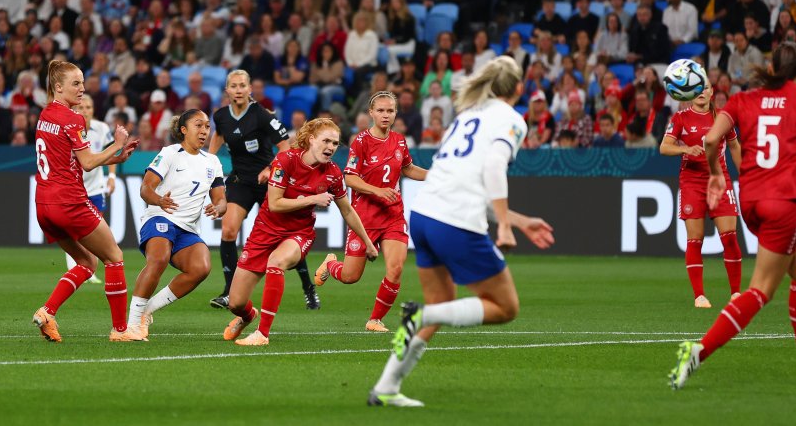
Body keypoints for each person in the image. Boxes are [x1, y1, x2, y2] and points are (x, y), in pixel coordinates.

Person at [367, 56, 556, 407]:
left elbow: (464, 181)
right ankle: (423, 314)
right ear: (518, 88)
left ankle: (386, 386)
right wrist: (502, 224)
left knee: (441, 305)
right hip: (455, 221)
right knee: (505, 307)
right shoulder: (511, 120)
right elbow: (494, 167)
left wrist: (515, 219)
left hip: (424, 215)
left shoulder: (467, 116)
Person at [670, 42, 796, 389]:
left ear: (771, 67)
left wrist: (717, 174)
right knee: (761, 290)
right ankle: (698, 350)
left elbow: (710, 141)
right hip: (783, 201)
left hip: (751, 200)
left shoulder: (741, 100)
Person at [222, 119, 380, 346]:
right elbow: (275, 204)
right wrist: (313, 198)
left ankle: (262, 334)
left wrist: (368, 242)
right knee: (235, 303)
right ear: (311, 140)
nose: (331, 147)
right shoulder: (285, 161)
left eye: (335, 143)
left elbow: (347, 211)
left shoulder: (333, 173)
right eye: (326, 140)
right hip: (265, 230)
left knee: (276, 262)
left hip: (299, 233)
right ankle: (248, 316)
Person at [32, 60, 140, 342]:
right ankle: (120, 331)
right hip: (69, 202)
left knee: (86, 262)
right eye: (75, 84)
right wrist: (116, 144)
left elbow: (73, 160)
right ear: (58, 87)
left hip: (44, 204)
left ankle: (47, 312)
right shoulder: (72, 118)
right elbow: (89, 163)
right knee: (114, 257)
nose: (82, 89)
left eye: (82, 82)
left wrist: (116, 157)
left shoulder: (46, 115)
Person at [312, 91, 427, 332]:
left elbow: (408, 169)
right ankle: (332, 263)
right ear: (371, 113)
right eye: (381, 111)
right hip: (364, 218)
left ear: (396, 113)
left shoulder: (399, 140)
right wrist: (377, 191)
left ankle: (375, 320)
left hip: (393, 216)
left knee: (395, 269)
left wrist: (436, 176)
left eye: (390, 111)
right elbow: (350, 178)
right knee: (350, 276)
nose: (386, 115)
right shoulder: (361, 142)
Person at [208, 70, 320, 310]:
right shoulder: (220, 116)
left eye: (242, 86)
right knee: (228, 230)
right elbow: (218, 136)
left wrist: (270, 168)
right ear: (227, 90)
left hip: (270, 182)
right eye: (233, 86)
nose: (238, 90)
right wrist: (207, 161)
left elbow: (285, 146)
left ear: (250, 90)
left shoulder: (261, 116)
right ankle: (229, 291)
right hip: (240, 181)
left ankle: (308, 287)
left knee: (287, 235)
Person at [126, 109, 227, 339]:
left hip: (187, 228)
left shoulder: (212, 162)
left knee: (201, 268)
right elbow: (145, 188)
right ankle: (131, 325)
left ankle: (147, 311)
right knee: (159, 258)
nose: (204, 131)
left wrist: (219, 207)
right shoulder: (170, 153)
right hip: (160, 217)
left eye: (207, 127)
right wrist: (159, 200)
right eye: (198, 126)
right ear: (183, 130)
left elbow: (221, 199)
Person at [660, 71, 743, 308]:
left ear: (712, 93)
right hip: (692, 180)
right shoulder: (680, 118)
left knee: (729, 237)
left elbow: (735, 146)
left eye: (706, 88)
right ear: (691, 92)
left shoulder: (723, 118)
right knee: (695, 239)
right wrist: (685, 150)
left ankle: (736, 293)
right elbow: (664, 147)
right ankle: (699, 295)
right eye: (698, 88)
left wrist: (746, 174)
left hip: (720, 178)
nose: (702, 92)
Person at [64, 95, 115, 284]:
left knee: (95, 227)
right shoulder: (69, 129)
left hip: (94, 187)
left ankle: (87, 266)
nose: (85, 110)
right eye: (82, 107)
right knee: (74, 231)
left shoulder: (101, 129)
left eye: (89, 107)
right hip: (74, 187)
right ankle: (78, 265)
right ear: (75, 109)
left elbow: (111, 152)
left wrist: (111, 176)